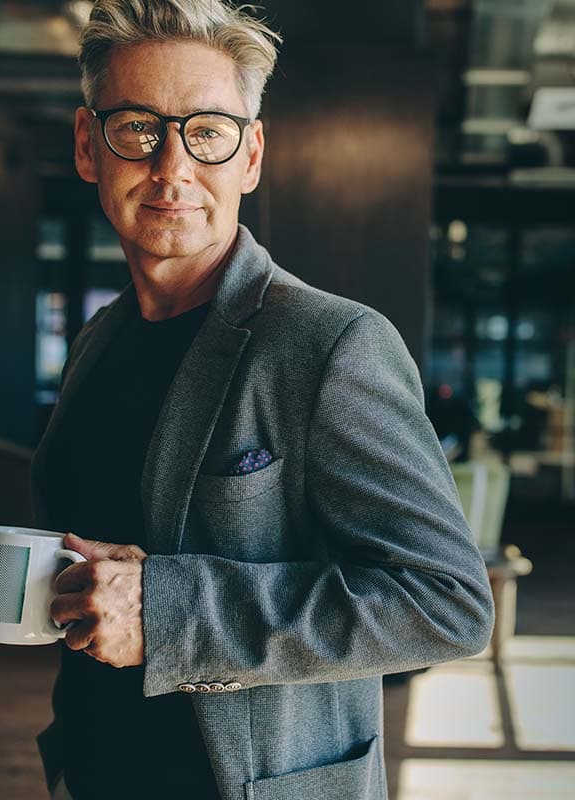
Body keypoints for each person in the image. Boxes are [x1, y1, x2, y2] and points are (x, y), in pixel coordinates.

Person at [31, 2, 494, 799]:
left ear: (250, 156)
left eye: (207, 130)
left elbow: (444, 602)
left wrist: (171, 613)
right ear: (87, 144)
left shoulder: (328, 344)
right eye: (139, 127)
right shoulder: (99, 340)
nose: (172, 167)